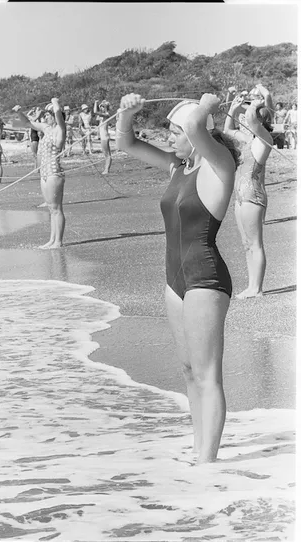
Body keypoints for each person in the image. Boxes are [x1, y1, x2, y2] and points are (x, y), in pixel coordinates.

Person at [116, 93, 240, 464]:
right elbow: (127, 142)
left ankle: (208, 464)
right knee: (188, 370)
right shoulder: (177, 167)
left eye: (174, 131)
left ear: (198, 133)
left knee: (207, 375)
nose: (169, 137)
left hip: (205, 277)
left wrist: (206, 104)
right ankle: (199, 448)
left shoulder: (220, 166)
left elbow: (193, 124)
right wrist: (127, 113)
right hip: (175, 280)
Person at [224, 84, 274, 299]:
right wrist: (234, 110)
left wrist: (256, 103)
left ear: (260, 121)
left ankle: (257, 288)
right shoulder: (249, 141)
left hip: (253, 196)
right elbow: (228, 131)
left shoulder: (264, 141)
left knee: (255, 243)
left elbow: (253, 120)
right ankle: (251, 285)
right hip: (240, 196)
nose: (245, 121)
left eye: (249, 117)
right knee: (246, 244)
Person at [12, 98, 67, 249]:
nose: (46, 117)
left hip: (54, 173)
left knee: (57, 209)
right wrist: (19, 112)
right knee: (51, 209)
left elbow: (59, 116)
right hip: (44, 172)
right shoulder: (45, 129)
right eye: (46, 115)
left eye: (49, 115)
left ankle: (58, 242)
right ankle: (52, 240)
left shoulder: (59, 129)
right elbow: (27, 124)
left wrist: (55, 102)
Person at [94, 99, 112, 174]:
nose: (101, 108)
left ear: (105, 108)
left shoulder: (107, 114)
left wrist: (96, 103)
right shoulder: (102, 116)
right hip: (103, 137)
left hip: (105, 137)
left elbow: (95, 112)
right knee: (106, 154)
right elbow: (97, 114)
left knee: (107, 154)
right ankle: (106, 169)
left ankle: (106, 170)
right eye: (100, 107)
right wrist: (98, 105)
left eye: (102, 107)